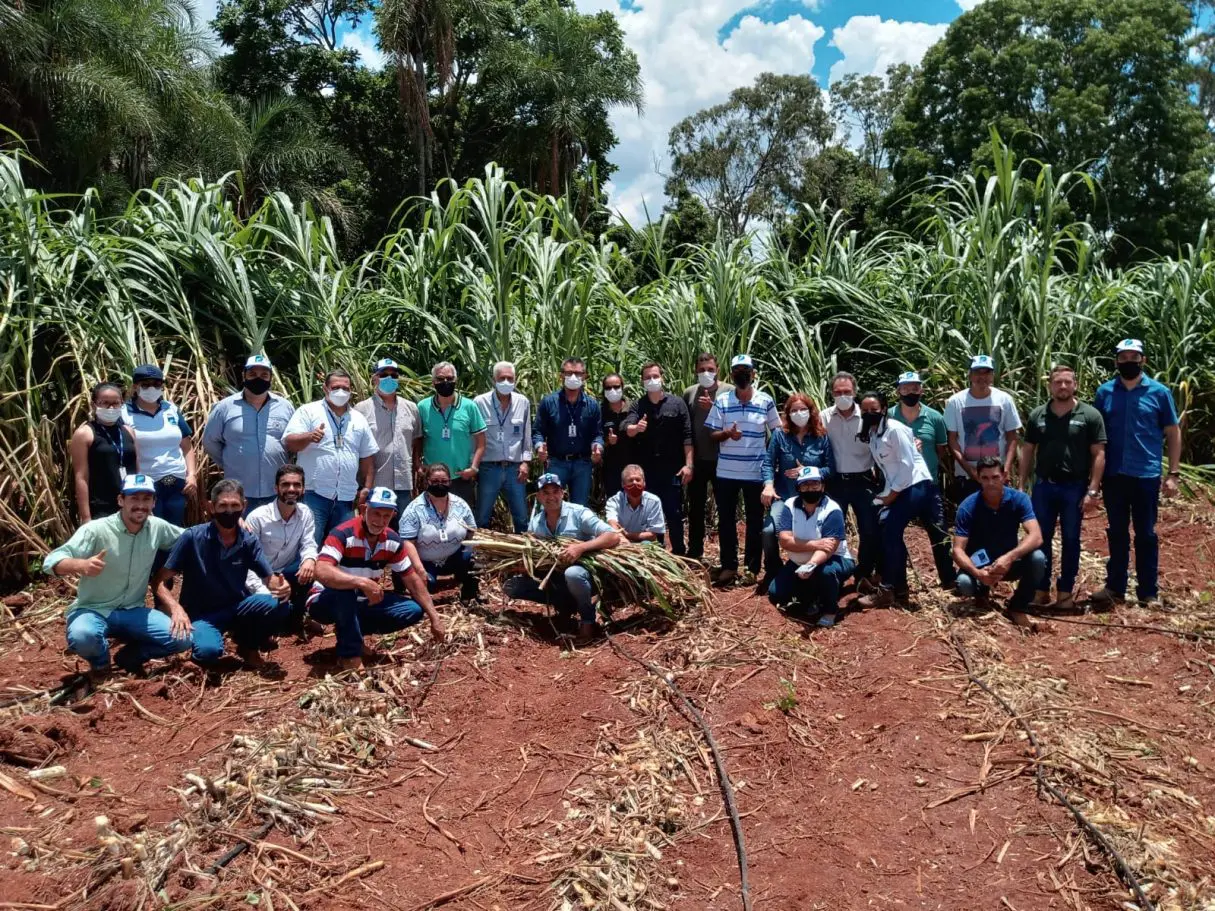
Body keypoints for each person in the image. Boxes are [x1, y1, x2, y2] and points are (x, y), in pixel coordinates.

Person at [44, 475, 187, 678]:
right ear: (121, 500)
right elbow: (52, 561)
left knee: (183, 639)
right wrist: (81, 565)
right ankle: (101, 665)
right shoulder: (96, 530)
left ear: (154, 502)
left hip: (134, 610)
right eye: (134, 499)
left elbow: (191, 538)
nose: (140, 505)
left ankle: (130, 656)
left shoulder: (157, 527)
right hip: (94, 609)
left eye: (146, 499)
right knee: (83, 637)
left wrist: (234, 528)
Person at [153, 479, 290, 667]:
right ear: (211, 507)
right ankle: (210, 640)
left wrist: (280, 586)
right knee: (207, 653)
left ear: (244, 506)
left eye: (235, 505)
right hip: (202, 614)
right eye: (223, 505)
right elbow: (159, 581)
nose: (229, 511)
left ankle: (248, 647)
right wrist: (176, 608)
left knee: (280, 604)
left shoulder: (248, 540)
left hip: (237, 607)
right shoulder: (192, 537)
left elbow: (269, 578)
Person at [308, 487, 446, 670]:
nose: (380, 521)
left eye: (386, 516)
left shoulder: (392, 540)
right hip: (325, 600)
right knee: (346, 593)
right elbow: (322, 570)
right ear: (364, 509)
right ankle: (350, 655)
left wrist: (434, 617)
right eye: (376, 513)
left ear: (393, 516)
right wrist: (362, 582)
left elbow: (412, 580)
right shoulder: (343, 533)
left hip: (361, 601)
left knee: (412, 609)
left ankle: (351, 636)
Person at [1092, 339, 1182, 608]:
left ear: (1143, 360)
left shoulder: (1159, 392)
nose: (1129, 361)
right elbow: (1097, 437)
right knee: (1117, 532)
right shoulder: (1105, 392)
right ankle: (1115, 588)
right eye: (1124, 357)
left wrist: (1173, 473)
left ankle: (1148, 592)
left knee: (1146, 534)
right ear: (1117, 361)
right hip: (1115, 475)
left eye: (1134, 357)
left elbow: (1173, 432)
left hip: (1145, 474)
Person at [855, 392, 955, 610]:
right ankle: (899, 587)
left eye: (875, 409)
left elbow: (908, 464)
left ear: (884, 409)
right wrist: (887, 492)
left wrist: (892, 495)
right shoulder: (872, 433)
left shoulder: (895, 429)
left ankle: (890, 589)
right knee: (888, 530)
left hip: (915, 486)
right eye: (865, 410)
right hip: (902, 486)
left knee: (897, 531)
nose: (870, 413)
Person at [1018, 365, 1107, 610]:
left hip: (1074, 488)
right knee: (1039, 539)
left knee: (1071, 539)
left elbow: (1099, 453)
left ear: (1075, 384)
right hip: (1044, 487)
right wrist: (1022, 483)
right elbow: (1028, 450)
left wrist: (1092, 490)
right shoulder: (1039, 415)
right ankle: (1040, 589)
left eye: (1068, 382)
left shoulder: (1089, 415)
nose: (1063, 386)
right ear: (1051, 386)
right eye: (1058, 382)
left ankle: (1065, 592)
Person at [503, 473, 621, 643]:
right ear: (538, 496)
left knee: (573, 574)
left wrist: (580, 548)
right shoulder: (535, 523)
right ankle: (565, 606)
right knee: (512, 587)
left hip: (583, 573)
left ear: (562, 493)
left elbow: (613, 536)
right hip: (553, 578)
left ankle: (587, 620)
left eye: (555, 491)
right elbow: (532, 554)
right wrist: (526, 566)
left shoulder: (579, 513)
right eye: (546, 492)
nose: (551, 497)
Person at [704, 355, 781, 586]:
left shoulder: (765, 400)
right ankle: (729, 566)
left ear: (753, 374)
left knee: (754, 521)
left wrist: (771, 459)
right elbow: (712, 433)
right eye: (737, 370)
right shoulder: (723, 401)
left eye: (745, 370)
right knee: (726, 520)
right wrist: (727, 434)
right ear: (731, 374)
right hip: (726, 471)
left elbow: (776, 431)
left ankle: (751, 568)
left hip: (755, 472)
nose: (742, 374)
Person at [283, 369, 378, 546]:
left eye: (345, 388)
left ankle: (331, 574)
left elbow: (367, 458)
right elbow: (289, 442)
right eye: (335, 387)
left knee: (341, 547)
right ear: (325, 389)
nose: (341, 392)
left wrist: (367, 487)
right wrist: (309, 436)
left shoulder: (358, 419)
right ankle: (305, 574)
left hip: (346, 497)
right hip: (315, 494)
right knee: (310, 545)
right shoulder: (308, 412)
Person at [952, 457, 1047, 621]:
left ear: (1003, 476)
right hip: (980, 565)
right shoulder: (968, 507)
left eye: (995, 477)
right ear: (978, 478)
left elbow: (1036, 536)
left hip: (1008, 563)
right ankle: (981, 593)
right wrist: (979, 574)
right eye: (985, 478)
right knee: (964, 584)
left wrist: (1010, 557)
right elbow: (957, 550)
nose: (990, 483)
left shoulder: (1019, 499)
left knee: (1038, 558)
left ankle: (1018, 605)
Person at [202, 354, 295, 513]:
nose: (258, 378)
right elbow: (210, 442)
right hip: (239, 493)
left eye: (264, 375)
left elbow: (292, 442)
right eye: (252, 374)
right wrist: (228, 461)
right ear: (243, 375)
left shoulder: (285, 407)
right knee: (241, 536)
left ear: (270, 378)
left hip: (276, 491)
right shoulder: (224, 407)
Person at [768, 466, 855, 628]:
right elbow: (785, 541)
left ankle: (830, 610)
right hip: (798, 563)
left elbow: (829, 548)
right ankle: (813, 595)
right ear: (798, 488)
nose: (810, 489)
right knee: (775, 593)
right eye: (805, 485)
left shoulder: (832, 509)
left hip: (833, 559)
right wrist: (815, 544)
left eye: (814, 484)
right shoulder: (790, 505)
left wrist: (811, 564)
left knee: (826, 573)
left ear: (822, 486)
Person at [761, 393, 834, 584]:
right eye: (794, 410)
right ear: (787, 413)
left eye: (803, 409)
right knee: (769, 531)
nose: (798, 413)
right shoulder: (779, 435)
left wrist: (810, 471)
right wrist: (768, 485)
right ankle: (774, 569)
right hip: (785, 496)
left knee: (818, 535)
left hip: (813, 498)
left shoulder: (822, 437)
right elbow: (768, 463)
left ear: (811, 412)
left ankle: (817, 569)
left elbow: (831, 468)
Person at [622, 363, 693, 555]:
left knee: (674, 513)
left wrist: (689, 465)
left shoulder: (677, 403)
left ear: (662, 377)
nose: (652, 380)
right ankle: (657, 553)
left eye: (655, 376)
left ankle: (679, 553)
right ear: (642, 381)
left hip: (672, 469)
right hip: (647, 471)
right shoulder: (639, 405)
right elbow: (626, 426)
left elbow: (687, 435)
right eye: (647, 377)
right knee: (652, 513)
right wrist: (635, 429)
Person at [821, 371, 880, 589]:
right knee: (833, 529)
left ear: (854, 392)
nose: (842, 395)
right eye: (838, 392)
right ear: (832, 394)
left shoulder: (867, 416)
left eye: (847, 392)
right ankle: (834, 572)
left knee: (869, 529)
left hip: (863, 479)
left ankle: (863, 574)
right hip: (836, 481)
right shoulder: (824, 417)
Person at [124, 364, 197, 525]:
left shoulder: (171, 409)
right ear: (135, 386)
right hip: (145, 484)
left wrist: (191, 474)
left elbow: (187, 446)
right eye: (146, 384)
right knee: (149, 529)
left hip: (177, 483)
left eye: (156, 384)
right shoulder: (125, 413)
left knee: (174, 529)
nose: (152, 388)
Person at [244, 465, 319, 621]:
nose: (291, 489)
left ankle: (298, 617)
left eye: (297, 485)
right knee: (274, 608)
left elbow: (309, 544)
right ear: (276, 488)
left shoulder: (305, 513)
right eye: (285, 484)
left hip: (285, 575)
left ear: (303, 489)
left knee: (312, 567)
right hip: (259, 578)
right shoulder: (257, 517)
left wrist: (310, 559)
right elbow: (247, 562)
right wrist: (264, 592)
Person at [945, 355, 1022, 502]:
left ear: (993, 375)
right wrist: (970, 470)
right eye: (977, 372)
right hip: (967, 475)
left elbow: (1012, 436)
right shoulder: (955, 402)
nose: (982, 377)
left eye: (986, 372)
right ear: (970, 375)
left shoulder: (1004, 399)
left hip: (997, 474)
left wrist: (1005, 469)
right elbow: (952, 439)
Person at [399, 463, 478, 600]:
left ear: (450, 482)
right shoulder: (414, 509)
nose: (439, 484)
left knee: (475, 563)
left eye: (444, 481)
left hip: (454, 557)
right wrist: (419, 569)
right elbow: (408, 542)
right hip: (426, 562)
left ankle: (469, 595)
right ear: (427, 482)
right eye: (435, 481)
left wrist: (472, 552)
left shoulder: (460, 504)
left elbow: (472, 531)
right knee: (428, 585)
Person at [355, 357, 421, 521]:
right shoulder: (361, 409)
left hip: (404, 483)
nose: (389, 378)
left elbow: (417, 441)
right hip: (375, 483)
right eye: (384, 374)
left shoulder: (411, 408)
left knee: (405, 528)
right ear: (374, 378)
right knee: (375, 527)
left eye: (394, 375)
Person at [532, 357, 603, 506]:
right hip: (557, 462)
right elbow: (538, 431)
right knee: (552, 504)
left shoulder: (592, 405)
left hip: (582, 464)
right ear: (561, 376)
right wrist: (539, 446)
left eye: (578, 374)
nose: (573, 377)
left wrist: (597, 447)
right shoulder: (549, 402)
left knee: (579, 507)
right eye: (569, 373)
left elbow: (597, 434)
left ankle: (575, 531)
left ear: (584, 377)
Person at [683, 354, 733, 562]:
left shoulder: (728, 391)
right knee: (696, 507)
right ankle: (695, 552)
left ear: (718, 370)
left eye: (710, 369)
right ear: (696, 371)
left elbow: (734, 421)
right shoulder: (689, 393)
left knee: (725, 508)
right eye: (702, 369)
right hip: (699, 460)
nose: (706, 373)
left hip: (723, 459)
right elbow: (686, 427)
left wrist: (712, 408)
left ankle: (727, 557)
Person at [416, 361, 486, 508]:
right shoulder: (423, 407)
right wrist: (418, 463)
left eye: (449, 378)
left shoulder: (469, 406)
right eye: (440, 379)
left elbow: (481, 442)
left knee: (462, 522)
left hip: (460, 476)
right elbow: (418, 439)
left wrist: (473, 468)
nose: (445, 382)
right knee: (431, 520)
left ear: (456, 380)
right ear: (433, 381)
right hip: (433, 478)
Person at [473, 361, 532, 531]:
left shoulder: (523, 402)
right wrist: (474, 466)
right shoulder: (479, 402)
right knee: (482, 515)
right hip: (489, 468)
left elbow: (526, 435)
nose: (506, 382)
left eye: (510, 378)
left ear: (515, 379)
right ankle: (478, 553)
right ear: (494, 379)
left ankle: (524, 552)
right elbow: (474, 437)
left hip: (515, 469)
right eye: (502, 378)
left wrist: (526, 462)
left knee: (521, 515)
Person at [70, 382, 137, 522]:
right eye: (105, 403)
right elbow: (81, 477)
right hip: (101, 507)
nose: (111, 407)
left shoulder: (129, 431)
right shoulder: (85, 434)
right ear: (95, 405)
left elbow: (138, 469)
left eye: (116, 403)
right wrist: (86, 517)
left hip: (131, 505)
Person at [888, 371, 950, 483]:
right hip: (895, 483)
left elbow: (941, 451)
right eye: (905, 389)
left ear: (922, 391)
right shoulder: (888, 417)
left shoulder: (935, 417)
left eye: (915, 389)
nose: (910, 393)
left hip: (927, 481)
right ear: (898, 392)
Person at [606, 464, 667, 545]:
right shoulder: (614, 501)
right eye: (630, 480)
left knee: (646, 544)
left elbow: (653, 535)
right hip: (620, 541)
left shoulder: (654, 501)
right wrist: (624, 541)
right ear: (623, 484)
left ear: (644, 483)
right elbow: (612, 523)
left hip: (643, 542)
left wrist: (628, 535)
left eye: (638, 480)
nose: (634, 483)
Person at [600, 372, 636, 500]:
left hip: (634, 464)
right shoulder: (600, 412)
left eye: (616, 387)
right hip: (611, 467)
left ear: (622, 387)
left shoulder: (633, 408)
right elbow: (596, 439)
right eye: (608, 388)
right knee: (614, 501)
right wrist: (608, 441)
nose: (612, 390)